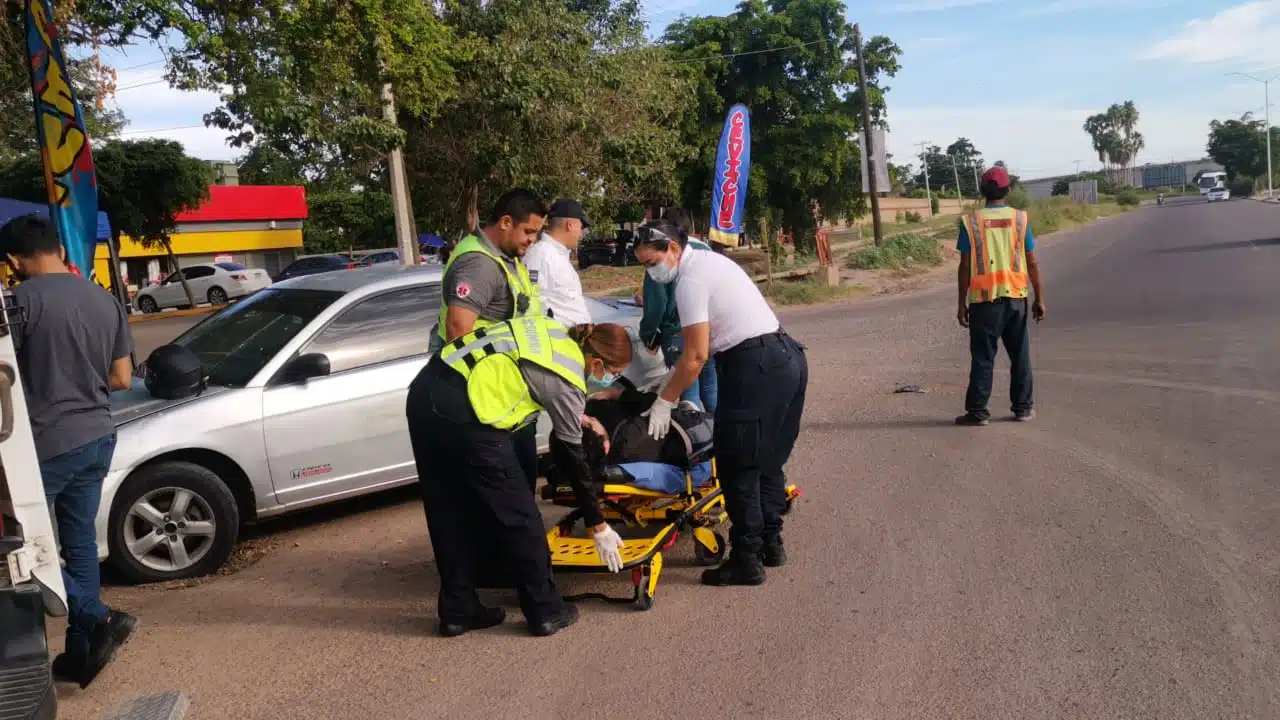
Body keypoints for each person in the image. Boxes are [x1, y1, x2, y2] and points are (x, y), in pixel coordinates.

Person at [406, 316, 632, 637]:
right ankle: (545, 610)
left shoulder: (553, 332)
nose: (611, 380)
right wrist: (599, 525)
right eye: (613, 373)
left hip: (425, 391)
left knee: (447, 508)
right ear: (596, 362)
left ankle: (458, 608)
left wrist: (575, 414)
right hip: (468, 411)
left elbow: (531, 373)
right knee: (521, 516)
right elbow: (574, 461)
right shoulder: (568, 378)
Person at [0, 215, 136, 688]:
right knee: (79, 546)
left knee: (22, 544)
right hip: (98, 436)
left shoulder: (15, 304)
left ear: (14, 260)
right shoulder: (105, 299)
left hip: (44, 446)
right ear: (58, 248)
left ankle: (98, 618)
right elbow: (121, 378)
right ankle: (80, 652)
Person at [633, 219, 808, 587]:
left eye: (651, 263)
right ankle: (770, 544)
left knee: (736, 465)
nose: (651, 272)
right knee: (768, 459)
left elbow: (695, 357)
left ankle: (746, 560)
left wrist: (665, 401)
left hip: (754, 367)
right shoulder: (713, 262)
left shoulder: (690, 280)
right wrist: (671, 382)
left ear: (673, 250)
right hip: (786, 358)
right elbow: (699, 351)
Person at [430, 189, 547, 495]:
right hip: (489, 408)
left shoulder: (505, 259)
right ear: (506, 222)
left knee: (518, 498)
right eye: (529, 231)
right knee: (507, 501)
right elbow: (458, 331)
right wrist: (487, 405)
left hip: (505, 402)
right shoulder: (479, 264)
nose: (532, 240)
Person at [954, 166, 1045, 426]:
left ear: (983, 190)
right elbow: (1032, 262)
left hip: (983, 303)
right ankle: (1023, 409)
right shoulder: (1019, 220)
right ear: (1007, 190)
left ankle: (978, 412)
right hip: (1016, 298)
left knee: (983, 358)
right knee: (1020, 356)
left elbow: (964, 266)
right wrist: (1039, 298)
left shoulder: (971, 222)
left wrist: (961, 304)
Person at [638, 219, 718, 414]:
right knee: (710, 387)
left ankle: (698, 437)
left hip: (676, 333)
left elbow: (657, 304)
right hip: (705, 330)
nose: (649, 268)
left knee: (689, 395)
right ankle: (717, 431)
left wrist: (649, 335)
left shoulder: (661, 256)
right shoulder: (703, 249)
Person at [524, 199, 592, 327]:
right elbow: (532, 308)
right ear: (570, 225)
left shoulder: (558, 256)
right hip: (556, 342)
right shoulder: (540, 256)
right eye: (581, 228)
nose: (581, 234)